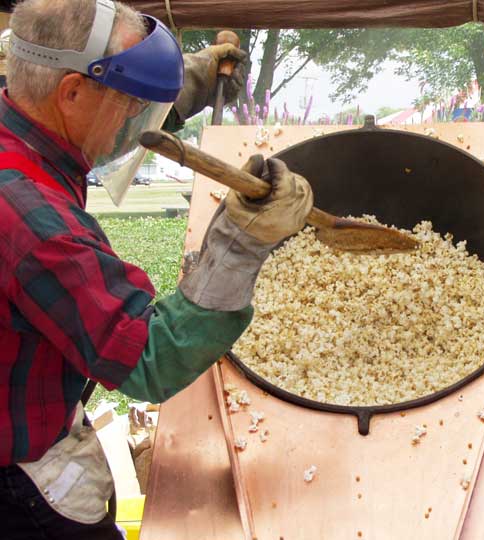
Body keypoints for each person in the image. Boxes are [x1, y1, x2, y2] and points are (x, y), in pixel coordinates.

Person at [0, 1, 313, 538]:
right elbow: (150, 359)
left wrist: (191, 76)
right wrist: (239, 245)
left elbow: (110, 121)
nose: (135, 121)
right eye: (131, 104)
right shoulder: (31, 222)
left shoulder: (24, 115)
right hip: (17, 477)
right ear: (72, 91)